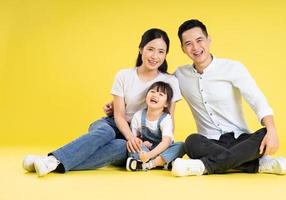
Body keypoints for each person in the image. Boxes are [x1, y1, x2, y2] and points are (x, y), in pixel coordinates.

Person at [22, 28, 182, 177]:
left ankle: (49, 161)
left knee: (121, 147)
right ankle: (52, 161)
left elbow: (169, 118)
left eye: (161, 51)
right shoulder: (124, 75)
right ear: (141, 50)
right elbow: (119, 115)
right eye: (150, 49)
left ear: (166, 54)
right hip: (113, 125)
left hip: (138, 136)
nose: (155, 56)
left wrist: (142, 141)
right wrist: (130, 136)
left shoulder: (169, 81)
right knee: (107, 132)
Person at [171, 19, 286, 177]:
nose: (196, 48)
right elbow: (158, 88)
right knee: (191, 141)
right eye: (188, 43)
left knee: (263, 134)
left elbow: (257, 99)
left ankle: (203, 166)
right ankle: (256, 164)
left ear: (209, 40)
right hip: (209, 142)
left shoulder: (233, 68)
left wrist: (272, 130)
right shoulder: (179, 75)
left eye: (200, 40)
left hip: (241, 139)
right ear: (183, 49)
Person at [126, 81, 185, 171]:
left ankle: (149, 164)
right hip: (145, 151)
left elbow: (166, 142)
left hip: (162, 151)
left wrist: (149, 155)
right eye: (152, 92)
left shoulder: (166, 119)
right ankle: (164, 163)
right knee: (132, 146)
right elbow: (134, 139)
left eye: (161, 94)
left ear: (166, 104)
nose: (155, 95)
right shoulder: (138, 116)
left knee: (181, 145)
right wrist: (141, 143)